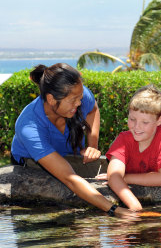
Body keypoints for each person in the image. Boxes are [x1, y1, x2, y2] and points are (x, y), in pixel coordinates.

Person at [11, 63, 134, 217]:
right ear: (51, 99)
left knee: (114, 170)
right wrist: (114, 210)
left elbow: (93, 109)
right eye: (73, 100)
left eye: (80, 98)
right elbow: (70, 178)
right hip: (33, 163)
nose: (79, 103)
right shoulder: (29, 126)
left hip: (70, 156)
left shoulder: (77, 95)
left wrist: (93, 145)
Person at [96, 85, 161, 211]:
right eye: (132, 119)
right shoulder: (123, 140)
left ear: (159, 120)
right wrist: (135, 207)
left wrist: (124, 178)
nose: (137, 127)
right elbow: (114, 176)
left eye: (145, 122)